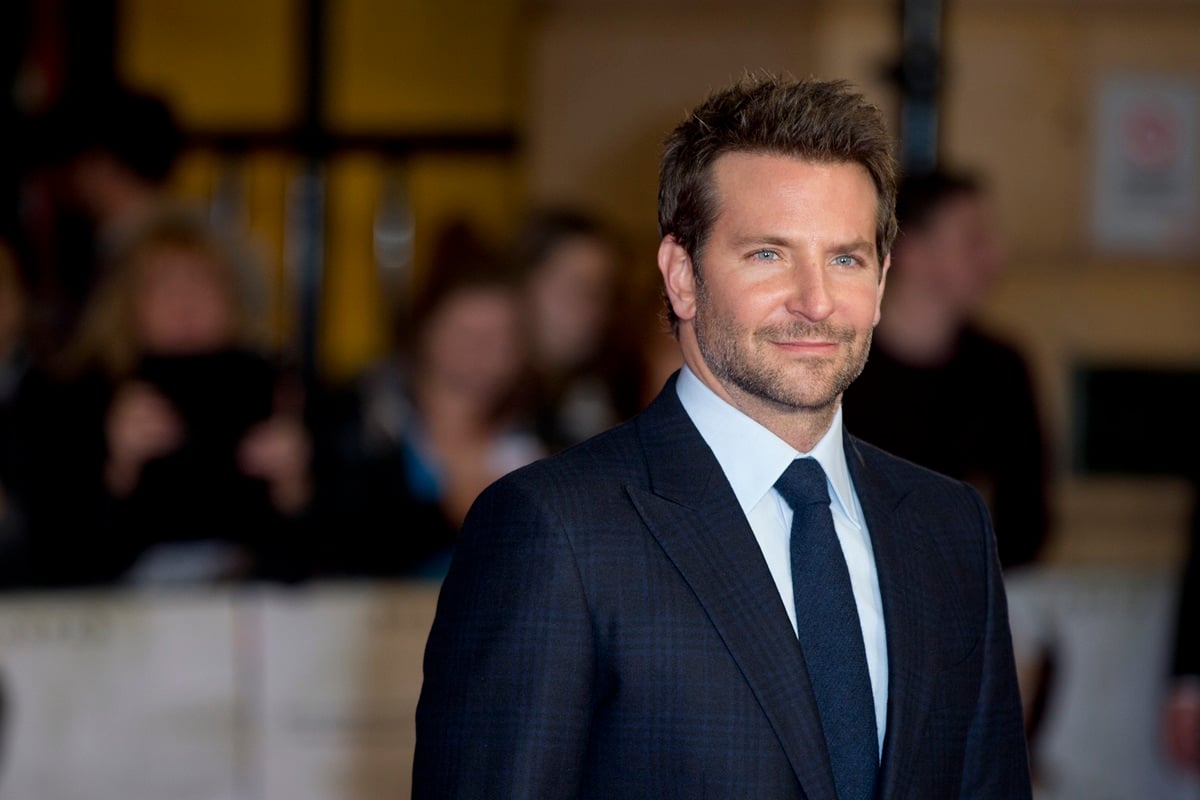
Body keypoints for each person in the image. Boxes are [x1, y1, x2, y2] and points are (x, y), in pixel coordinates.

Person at [414, 75, 1030, 798]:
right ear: (681, 276)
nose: (815, 301)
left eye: (845, 258)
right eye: (768, 254)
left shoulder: (947, 528)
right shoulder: (557, 531)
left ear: (883, 278)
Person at [17, 210, 312, 586]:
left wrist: (294, 489)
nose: (185, 305)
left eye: (203, 285)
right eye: (163, 286)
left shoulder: (275, 389)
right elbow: (58, 564)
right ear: (126, 307)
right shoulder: (75, 397)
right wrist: (115, 469)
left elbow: (320, 567)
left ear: (234, 302)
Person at [842, 170, 1049, 569]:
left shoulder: (1001, 368)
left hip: (963, 599)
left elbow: (1027, 523)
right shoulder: (842, 364)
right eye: (973, 242)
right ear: (912, 250)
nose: (995, 257)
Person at [316, 222, 544, 578]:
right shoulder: (362, 420)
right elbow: (334, 541)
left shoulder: (545, 427)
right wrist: (447, 512)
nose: (484, 354)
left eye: (502, 337)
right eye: (467, 335)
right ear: (425, 330)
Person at [513, 208, 625, 451]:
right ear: (523, 283)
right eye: (577, 288)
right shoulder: (481, 402)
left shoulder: (597, 393)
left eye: (602, 292)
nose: (593, 310)